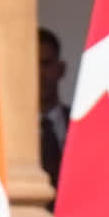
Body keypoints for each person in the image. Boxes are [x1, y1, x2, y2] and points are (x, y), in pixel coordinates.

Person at [38, 27, 69, 192]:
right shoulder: (10, 134)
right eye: (32, 65)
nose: (40, 73)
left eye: (46, 63)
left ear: (61, 68)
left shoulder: (81, 127)